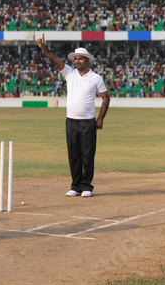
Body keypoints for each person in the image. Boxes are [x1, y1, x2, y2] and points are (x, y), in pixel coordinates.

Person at [36, 34, 110, 197]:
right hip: (71, 122)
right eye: (75, 59)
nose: (77, 61)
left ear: (87, 61)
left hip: (88, 123)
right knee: (74, 155)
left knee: (87, 155)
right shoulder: (69, 73)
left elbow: (106, 98)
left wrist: (100, 119)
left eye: (80, 59)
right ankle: (75, 186)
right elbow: (55, 59)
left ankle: (86, 187)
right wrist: (43, 47)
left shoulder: (96, 78)